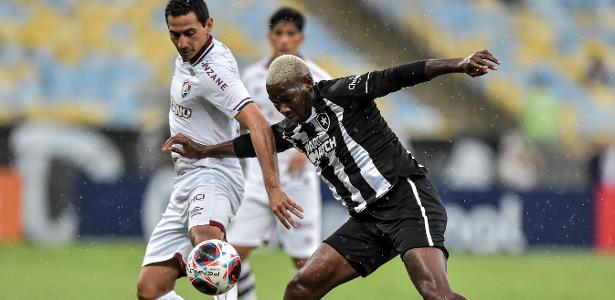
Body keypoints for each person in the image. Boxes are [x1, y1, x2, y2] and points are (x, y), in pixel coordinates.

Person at [163, 50, 501, 299]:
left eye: (287, 98)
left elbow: (398, 74)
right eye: (275, 102)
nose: (282, 108)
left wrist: (457, 64)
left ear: (308, 84)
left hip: (406, 201)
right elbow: (254, 142)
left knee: (435, 293)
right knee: (300, 288)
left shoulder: (343, 94)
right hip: (367, 221)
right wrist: (205, 150)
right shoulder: (294, 128)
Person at [137, 1, 303, 300]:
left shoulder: (213, 71)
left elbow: (260, 124)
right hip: (187, 181)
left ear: (208, 25)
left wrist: (273, 187)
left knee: (210, 253)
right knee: (151, 289)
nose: (182, 43)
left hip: (213, 176)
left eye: (189, 33)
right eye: (175, 35)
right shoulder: (191, 56)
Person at [230, 7, 331, 300]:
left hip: (297, 183)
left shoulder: (318, 79)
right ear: (270, 37)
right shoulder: (251, 76)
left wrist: (309, 148)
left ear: (301, 38)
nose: (284, 40)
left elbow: (331, 125)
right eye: (279, 33)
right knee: (231, 258)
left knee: (307, 267)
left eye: (291, 34)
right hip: (257, 183)